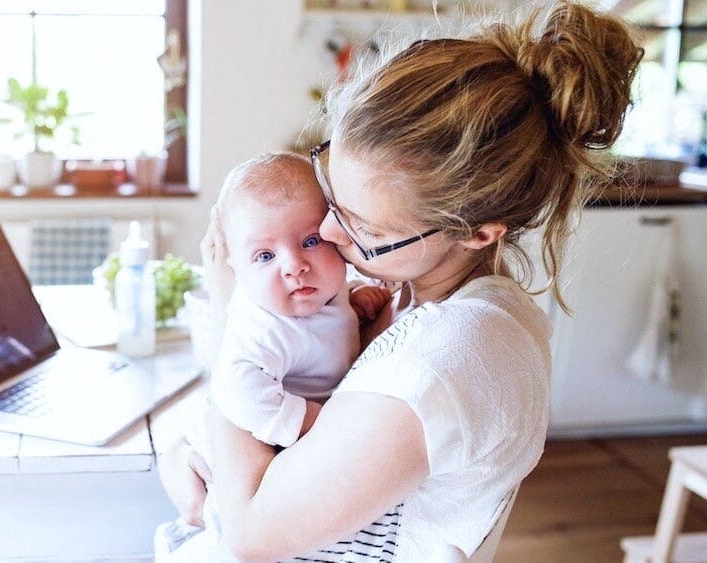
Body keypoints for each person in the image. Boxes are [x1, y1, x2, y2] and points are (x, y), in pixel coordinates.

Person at [157, 1, 642, 561]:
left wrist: (232, 311)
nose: (332, 233)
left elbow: (248, 538)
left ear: (479, 233)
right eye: (331, 196)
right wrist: (189, 446)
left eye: (363, 226)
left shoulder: (445, 359)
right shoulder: (404, 293)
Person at [157, 153, 390, 560]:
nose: (294, 266)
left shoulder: (326, 289)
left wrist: (354, 298)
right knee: (219, 534)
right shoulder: (263, 326)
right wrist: (312, 422)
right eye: (265, 256)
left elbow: (330, 310)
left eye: (310, 241)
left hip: (274, 442)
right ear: (235, 268)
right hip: (248, 441)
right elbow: (240, 390)